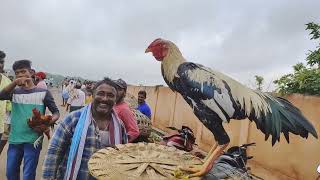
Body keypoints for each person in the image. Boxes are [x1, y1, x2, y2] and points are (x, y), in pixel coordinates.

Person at [42, 77, 128, 180]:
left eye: (110, 95)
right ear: (93, 95)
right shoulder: (73, 119)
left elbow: (123, 158)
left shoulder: (119, 126)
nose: (105, 98)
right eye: (100, 93)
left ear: (115, 99)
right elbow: (54, 151)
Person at [0, 60, 60, 180]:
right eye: (17, 73)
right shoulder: (14, 92)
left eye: (23, 71)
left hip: (33, 140)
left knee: (28, 174)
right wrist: (14, 83)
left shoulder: (43, 92)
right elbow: (1, 95)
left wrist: (48, 122)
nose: (20, 75)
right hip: (15, 139)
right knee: (11, 173)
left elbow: (56, 112)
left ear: (32, 72)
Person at [0, 50, 12, 154]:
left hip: (1, 124)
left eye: (2, 62)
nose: (0, 64)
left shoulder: (8, 82)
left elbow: (9, 104)